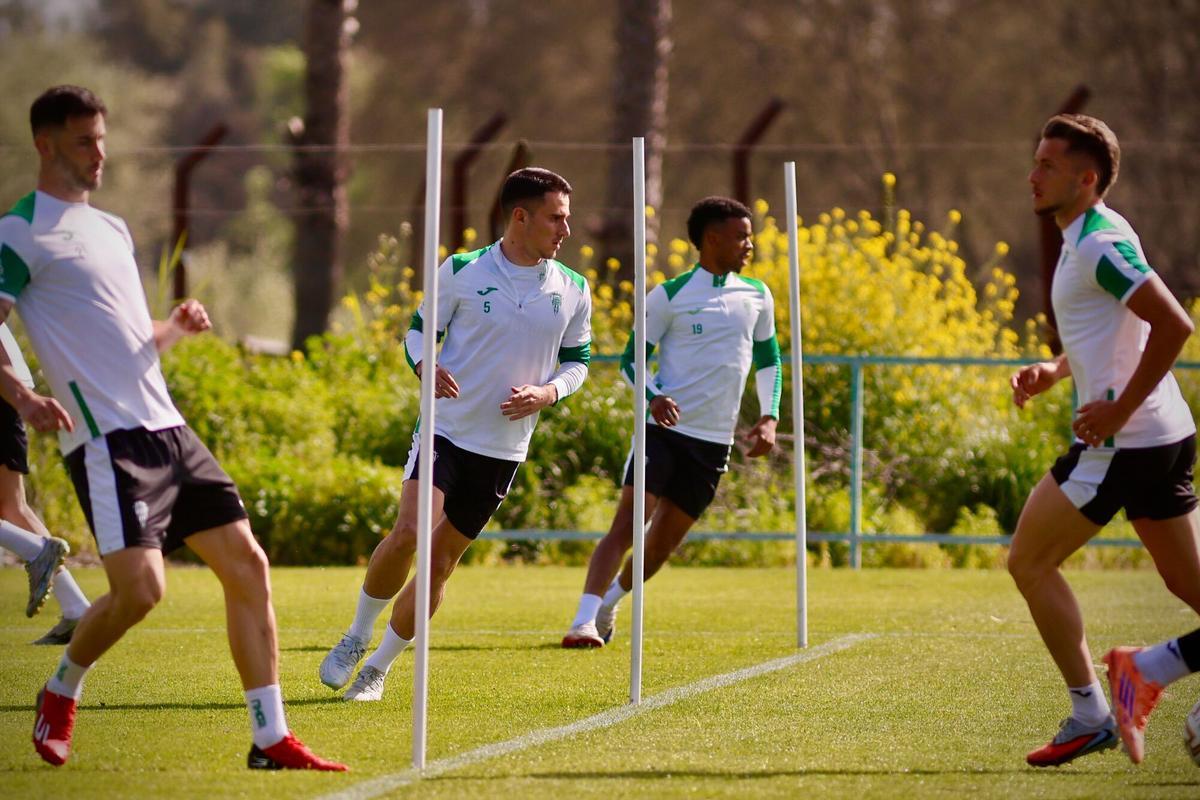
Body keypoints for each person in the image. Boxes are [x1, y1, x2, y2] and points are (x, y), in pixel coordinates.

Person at [2, 85, 345, 771]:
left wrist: (173, 329)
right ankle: (60, 689)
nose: (99, 154)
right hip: (108, 442)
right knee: (142, 591)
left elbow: (128, 338)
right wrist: (24, 394)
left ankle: (270, 735)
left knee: (249, 567)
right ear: (45, 145)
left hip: (170, 429)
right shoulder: (20, 231)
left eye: (101, 139)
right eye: (83, 142)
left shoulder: (113, 229)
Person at [319, 167, 592, 701]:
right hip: (446, 429)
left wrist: (549, 393)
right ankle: (355, 636)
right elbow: (419, 332)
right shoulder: (463, 270)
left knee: (441, 563)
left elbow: (578, 362)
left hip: (504, 447)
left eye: (568, 219)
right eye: (557, 218)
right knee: (411, 533)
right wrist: (426, 367)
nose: (566, 231)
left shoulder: (573, 289)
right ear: (521, 216)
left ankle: (377, 668)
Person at [1010, 114, 1200, 767]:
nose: (1032, 176)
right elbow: (1122, 328)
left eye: (1048, 167)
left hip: (1127, 445)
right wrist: (1056, 368)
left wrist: (1117, 411)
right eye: (1035, 162)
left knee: (1028, 563)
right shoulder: (1093, 233)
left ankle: (1099, 706)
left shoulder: (1095, 243)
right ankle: (1149, 670)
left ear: (1086, 179)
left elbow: (1174, 326)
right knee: (1192, 587)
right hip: (1165, 435)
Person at [562, 196, 781, 648]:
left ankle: (610, 603)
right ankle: (582, 620)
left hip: (713, 443)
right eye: (741, 235)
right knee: (627, 525)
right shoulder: (669, 295)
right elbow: (630, 361)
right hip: (661, 432)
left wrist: (768, 417)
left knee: (660, 545)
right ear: (711, 238)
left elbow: (769, 360)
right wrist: (654, 396)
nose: (749, 244)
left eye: (749, 235)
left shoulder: (758, 295)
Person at [0, 324, 91, 644]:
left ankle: (36, 551)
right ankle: (76, 607)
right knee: (12, 508)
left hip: (5, 390)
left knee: (12, 507)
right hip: (7, 392)